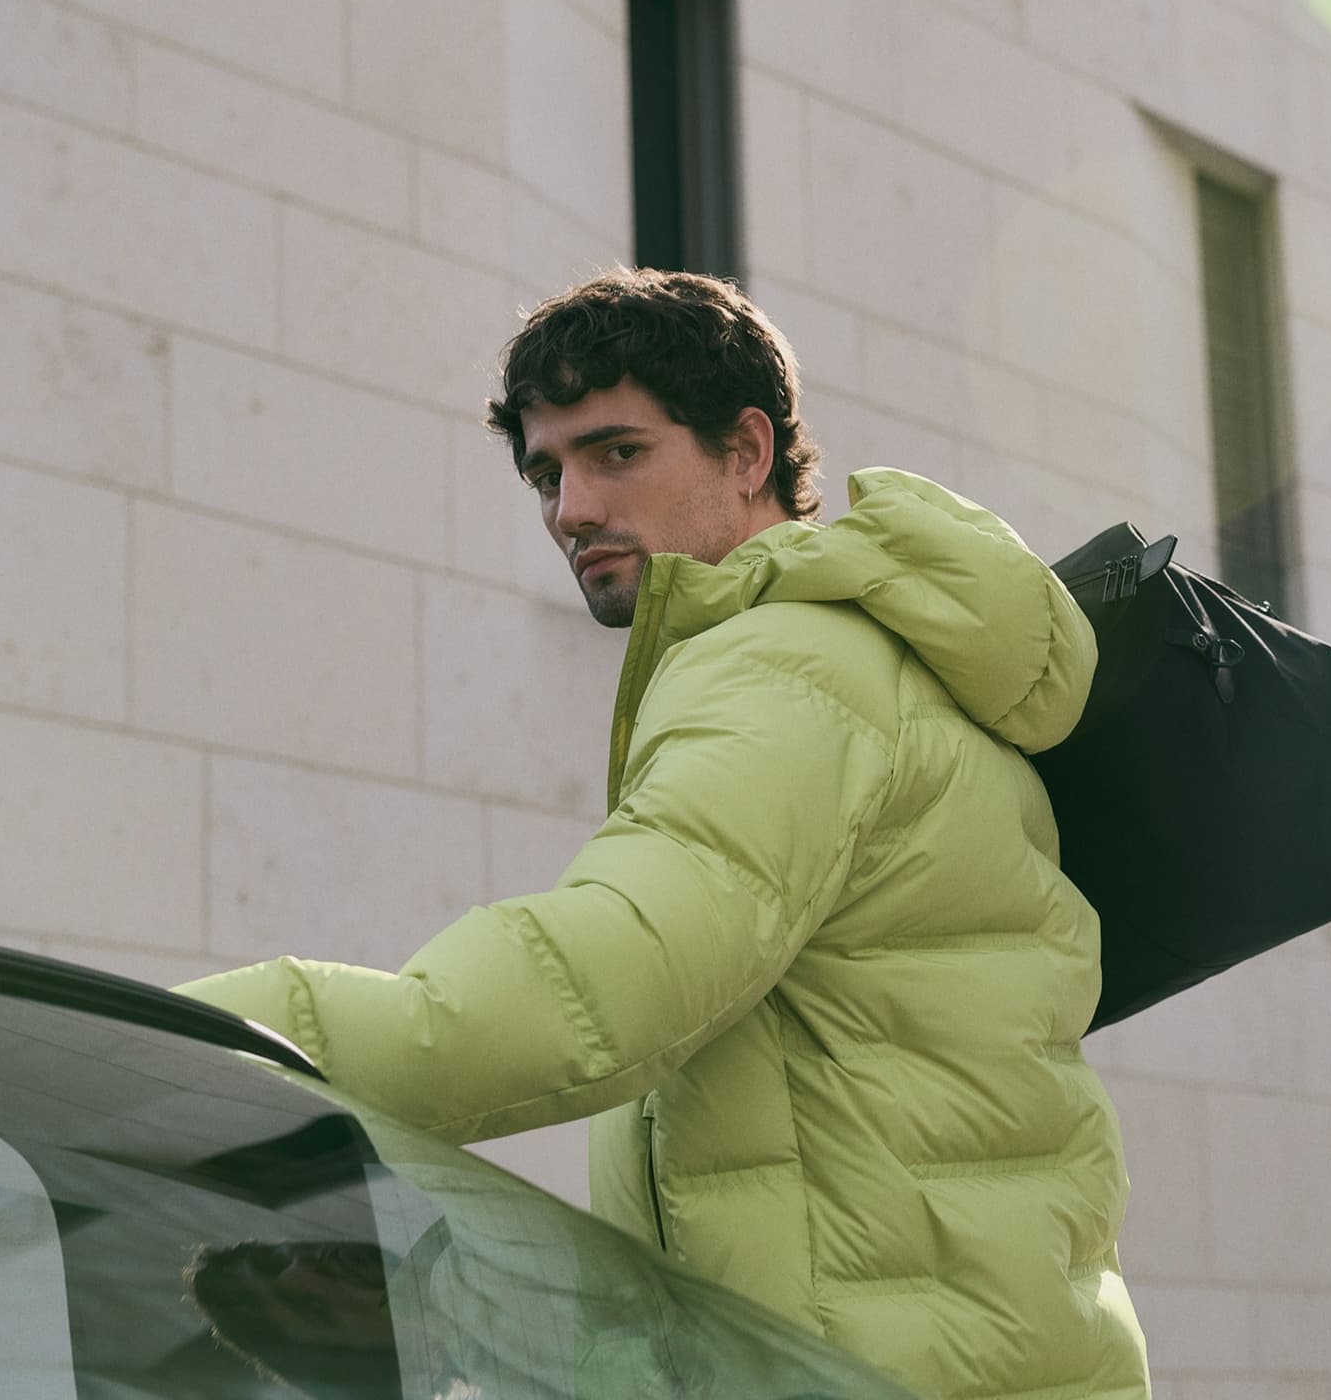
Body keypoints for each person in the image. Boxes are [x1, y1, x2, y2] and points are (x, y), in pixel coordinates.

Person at [176, 268, 1149, 1399]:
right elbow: (757, 1181)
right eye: (546, 472)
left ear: (746, 454)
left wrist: (178, 1053)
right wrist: (433, 1310)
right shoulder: (865, 663)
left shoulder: (792, 665)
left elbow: (586, 1001)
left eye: (616, 453)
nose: (570, 508)